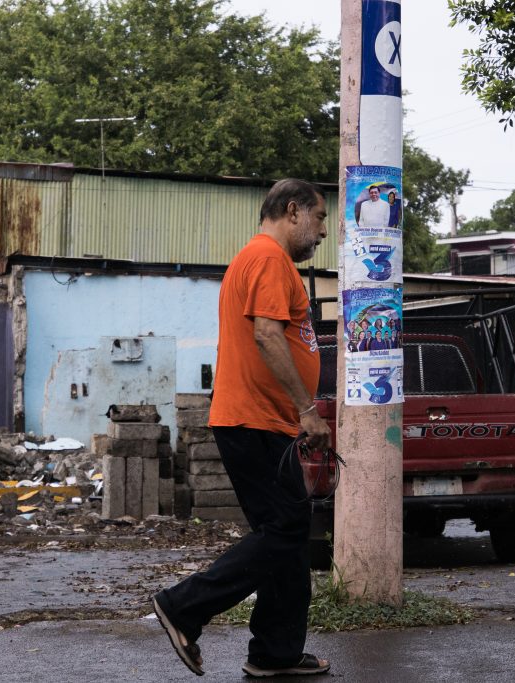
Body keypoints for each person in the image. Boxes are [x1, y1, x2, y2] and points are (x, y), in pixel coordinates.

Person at [152, 179, 332, 678]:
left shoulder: (259, 259)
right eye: (319, 219)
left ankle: (275, 652)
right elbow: (268, 334)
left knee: (288, 535)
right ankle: (183, 606)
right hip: (255, 420)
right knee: (287, 529)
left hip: (260, 420)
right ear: (292, 211)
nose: (321, 233)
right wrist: (306, 410)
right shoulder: (270, 259)